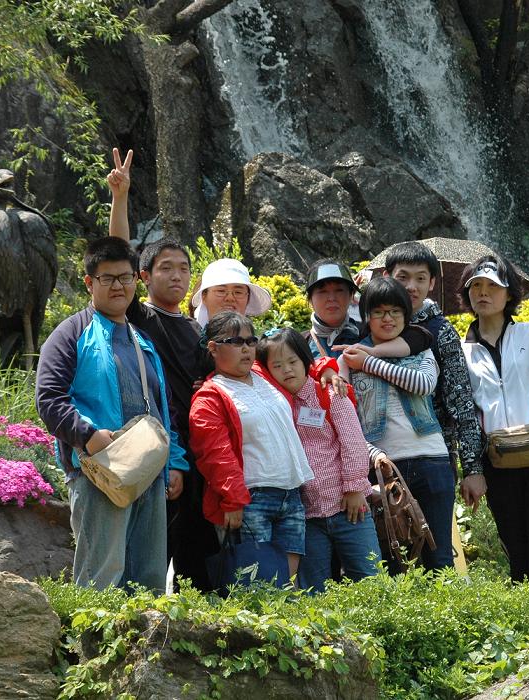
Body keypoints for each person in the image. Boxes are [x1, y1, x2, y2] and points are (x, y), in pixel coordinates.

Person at [36, 236, 188, 592]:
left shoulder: (141, 339)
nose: (119, 285)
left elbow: (162, 407)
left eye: (126, 277)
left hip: (147, 472)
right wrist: (87, 435)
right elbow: (49, 398)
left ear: (137, 280)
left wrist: (174, 461)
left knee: (149, 579)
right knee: (101, 576)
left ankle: (143, 648)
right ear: (90, 282)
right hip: (98, 472)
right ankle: (92, 648)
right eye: (108, 278)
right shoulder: (71, 333)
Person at [106, 147, 219, 591]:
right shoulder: (143, 318)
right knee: (155, 554)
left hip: (202, 452)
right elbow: (117, 255)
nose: (177, 276)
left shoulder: (198, 328)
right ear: (144, 277)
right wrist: (120, 198)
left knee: (201, 559)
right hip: (160, 449)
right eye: (165, 268)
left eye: (184, 268)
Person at [458, 254, 529, 581]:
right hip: (498, 458)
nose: (483, 292)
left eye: (492, 286)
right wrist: (472, 469)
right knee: (513, 542)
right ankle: (528, 621)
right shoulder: (462, 350)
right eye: (475, 286)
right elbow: (465, 413)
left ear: (509, 294)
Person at [338, 277, 455, 571]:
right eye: (378, 312)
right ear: (366, 316)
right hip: (384, 467)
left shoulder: (421, 349)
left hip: (432, 459)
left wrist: (368, 362)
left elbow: (423, 384)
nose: (387, 319)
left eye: (395, 312)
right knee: (394, 558)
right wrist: (369, 452)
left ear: (406, 315)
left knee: (438, 555)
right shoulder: (346, 358)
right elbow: (345, 420)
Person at [189, 311, 315, 579]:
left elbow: (299, 362)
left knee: (289, 587)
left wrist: (328, 368)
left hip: (291, 491)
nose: (246, 349)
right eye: (236, 342)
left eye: (250, 341)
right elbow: (215, 454)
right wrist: (233, 499)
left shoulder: (263, 373)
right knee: (260, 588)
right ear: (213, 348)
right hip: (251, 499)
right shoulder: (209, 397)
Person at [255, 328, 380, 592]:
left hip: (348, 507)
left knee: (369, 580)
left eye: (292, 362)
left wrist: (355, 486)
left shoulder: (330, 392)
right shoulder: (276, 403)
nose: (287, 370)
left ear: (305, 360)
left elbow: (353, 441)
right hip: (307, 514)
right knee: (314, 589)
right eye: (277, 366)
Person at [383, 243, 483, 502]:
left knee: (436, 541)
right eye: (402, 277)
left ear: (432, 283)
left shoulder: (441, 331)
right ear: (387, 277)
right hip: (382, 459)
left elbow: (461, 401)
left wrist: (472, 468)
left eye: (420, 278)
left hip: (433, 458)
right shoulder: (372, 326)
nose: (411, 286)